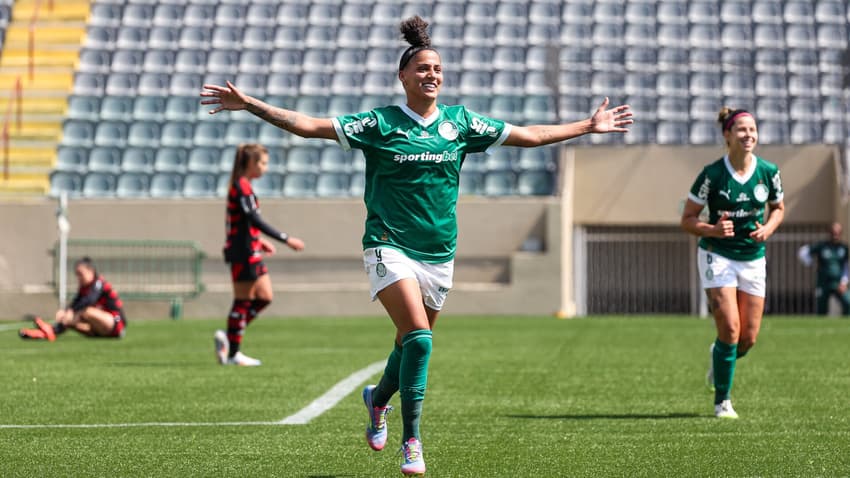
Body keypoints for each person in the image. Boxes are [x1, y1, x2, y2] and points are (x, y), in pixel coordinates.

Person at [201, 16, 632, 476]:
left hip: (439, 252)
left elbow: (528, 136)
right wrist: (249, 104)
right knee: (421, 341)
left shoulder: (461, 122)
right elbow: (308, 126)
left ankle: (376, 398)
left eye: (438, 69)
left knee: (408, 344)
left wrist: (587, 126)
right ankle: (413, 441)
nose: (433, 75)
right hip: (388, 245)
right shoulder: (379, 122)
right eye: (423, 68)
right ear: (403, 76)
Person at [681, 107, 785, 419]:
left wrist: (768, 227)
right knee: (729, 328)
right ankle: (722, 402)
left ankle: (719, 358)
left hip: (752, 258)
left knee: (748, 338)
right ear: (727, 135)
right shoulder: (712, 175)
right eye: (741, 129)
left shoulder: (768, 171)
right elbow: (687, 219)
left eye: (752, 129)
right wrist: (711, 229)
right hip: (717, 254)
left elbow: (778, 208)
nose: (748, 135)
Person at [214, 143, 305, 367]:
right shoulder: (241, 187)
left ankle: (229, 336)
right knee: (243, 300)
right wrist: (286, 238)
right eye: (263, 163)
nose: (265, 168)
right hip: (242, 252)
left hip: (251, 248)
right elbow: (254, 220)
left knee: (264, 297)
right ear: (251, 163)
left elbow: (244, 223)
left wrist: (258, 240)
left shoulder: (245, 187)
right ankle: (234, 353)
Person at [19, 256, 127, 340]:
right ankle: (48, 333)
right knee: (70, 321)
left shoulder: (99, 283)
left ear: (91, 271)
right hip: (97, 330)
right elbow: (76, 302)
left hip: (115, 325)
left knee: (86, 311)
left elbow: (89, 300)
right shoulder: (84, 287)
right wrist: (66, 312)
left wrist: (70, 311)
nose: (78, 277)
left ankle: (51, 330)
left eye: (81, 274)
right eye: (77, 274)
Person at [798, 222, 850, 316]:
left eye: (837, 233)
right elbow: (803, 252)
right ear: (829, 233)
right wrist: (809, 262)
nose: (835, 235)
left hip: (838, 283)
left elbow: (846, 267)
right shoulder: (822, 246)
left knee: (848, 302)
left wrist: (844, 282)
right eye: (833, 233)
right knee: (821, 308)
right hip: (823, 282)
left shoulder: (844, 248)